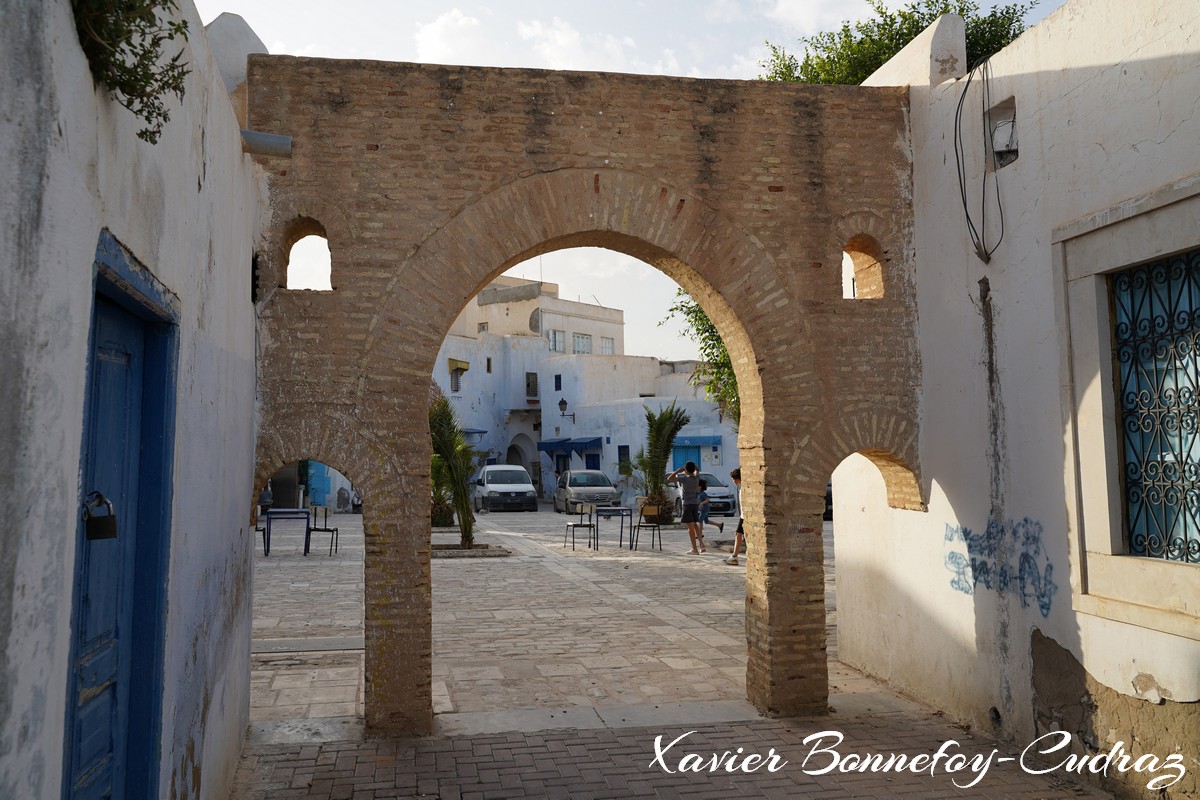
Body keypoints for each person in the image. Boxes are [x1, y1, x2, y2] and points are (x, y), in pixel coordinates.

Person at [668, 461, 706, 554]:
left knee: (690, 528)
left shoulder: (684, 479)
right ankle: (702, 545)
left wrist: (678, 471)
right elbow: (697, 470)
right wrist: (693, 467)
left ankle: (694, 549)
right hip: (695, 504)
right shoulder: (697, 478)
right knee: (695, 525)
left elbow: (670, 478)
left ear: (686, 470)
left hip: (687, 504)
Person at [725, 468, 744, 565]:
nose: (733, 481)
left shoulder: (744, 488)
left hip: (745, 516)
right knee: (738, 534)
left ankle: (735, 556)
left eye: (733, 479)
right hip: (743, 515)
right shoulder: (741, 487)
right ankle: (734, 556)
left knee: (739, 534)